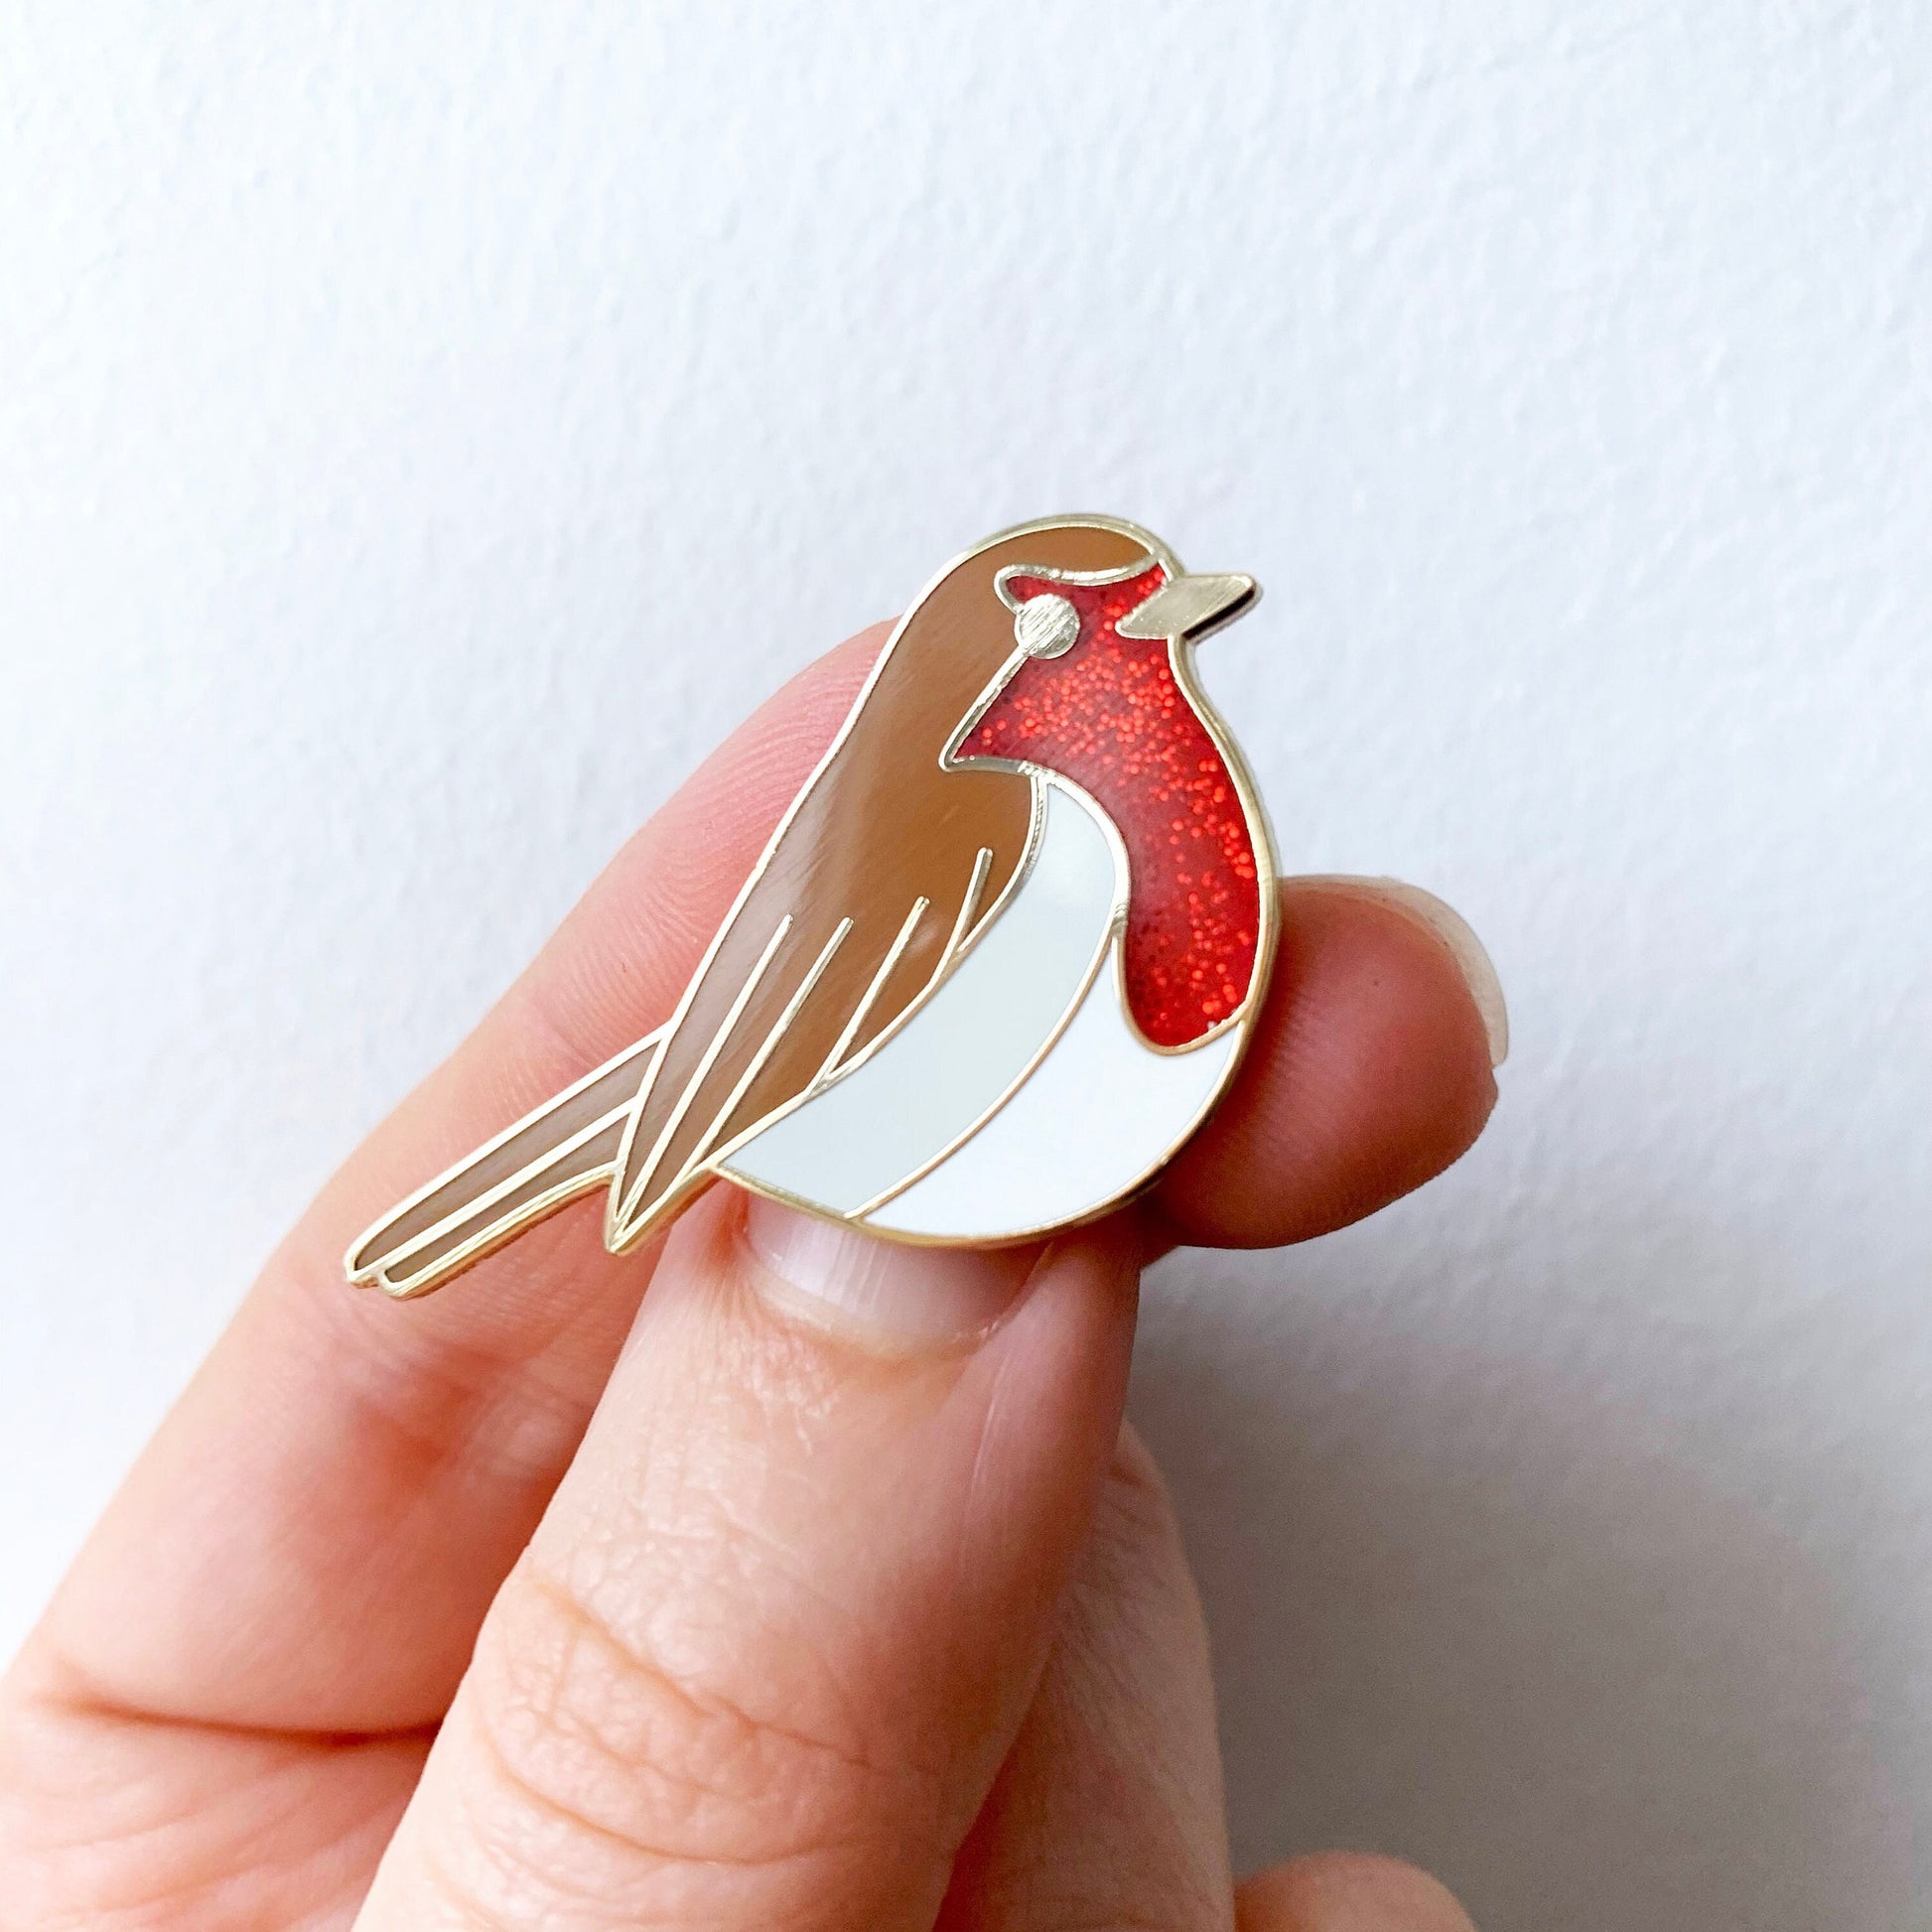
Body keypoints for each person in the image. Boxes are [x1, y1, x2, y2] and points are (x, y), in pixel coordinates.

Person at [0, 623, 1504, 1929]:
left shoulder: (1122, 798)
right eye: (1074, 620)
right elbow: (803, 1019)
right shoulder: (983, 807)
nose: (1131, 633)